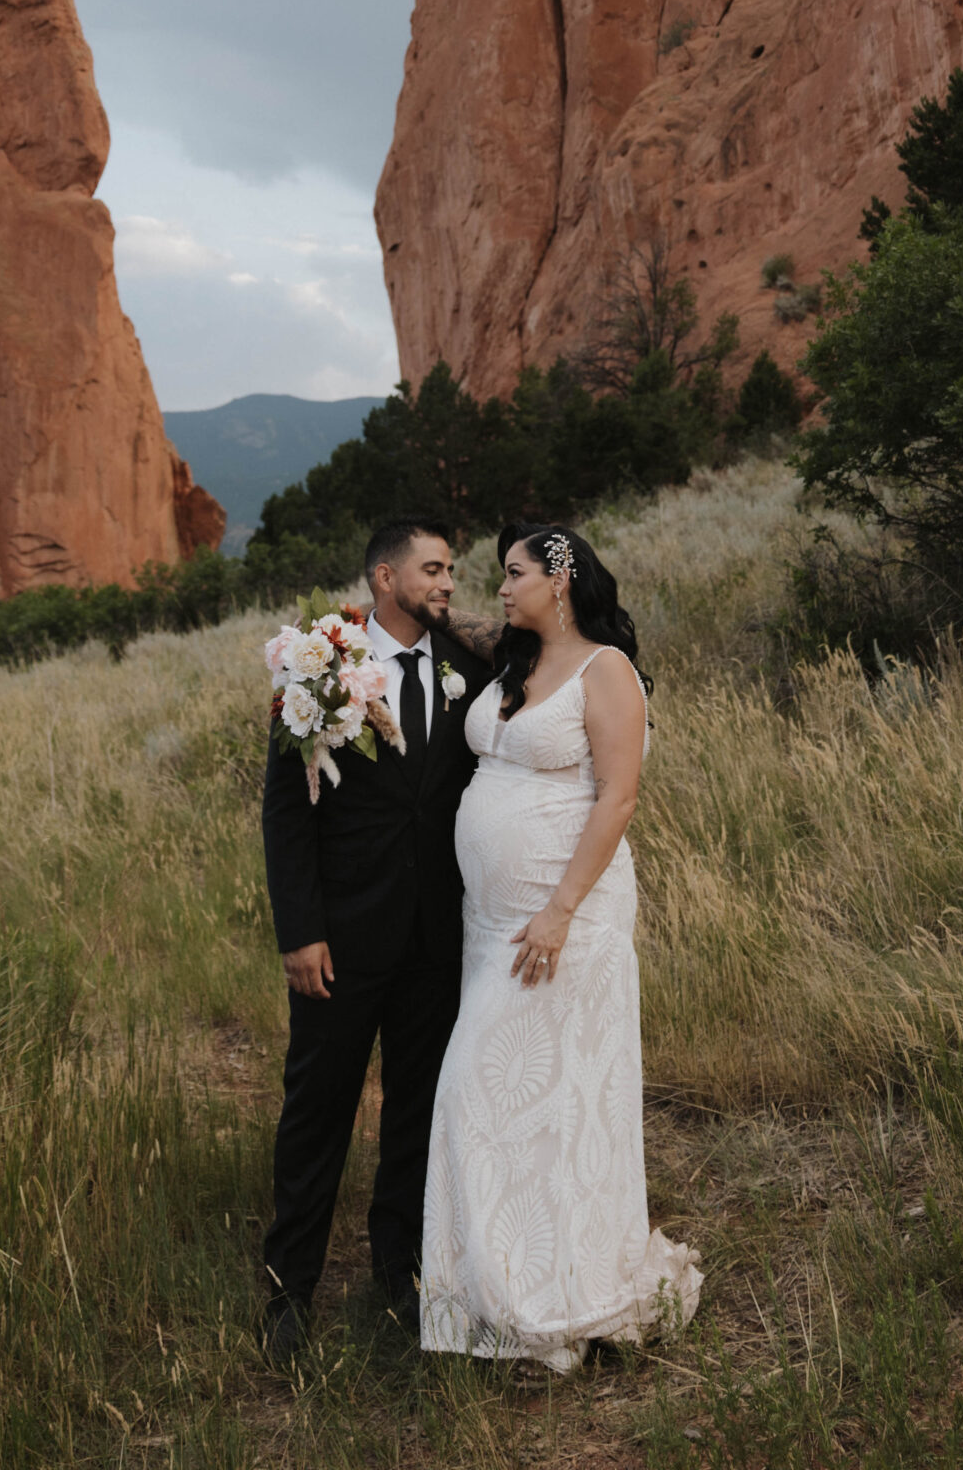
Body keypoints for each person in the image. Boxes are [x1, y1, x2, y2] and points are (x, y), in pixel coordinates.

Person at [419, 524, 702, 1372]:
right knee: (516, 1105)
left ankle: (568, 1295)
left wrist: (559, 910)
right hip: (489, 925)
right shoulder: (512, 665)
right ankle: (505, 1291)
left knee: (543, 1096)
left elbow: (617, 796)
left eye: (513, 574)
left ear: (561, 579)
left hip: (564, 921)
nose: (500, 589)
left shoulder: (602, 670)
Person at [259, 519, 493, 1362]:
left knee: (417, 1113)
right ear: (385, 578)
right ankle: (289, 1293)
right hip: (341, 943)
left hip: (438, 936)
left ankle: (398, 1276)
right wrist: (301, 932)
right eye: (433, 571)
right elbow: (287, 815)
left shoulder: (469, 669)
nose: (448, 586)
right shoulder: (317, 667)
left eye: (452, 572)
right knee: (315, 1114)